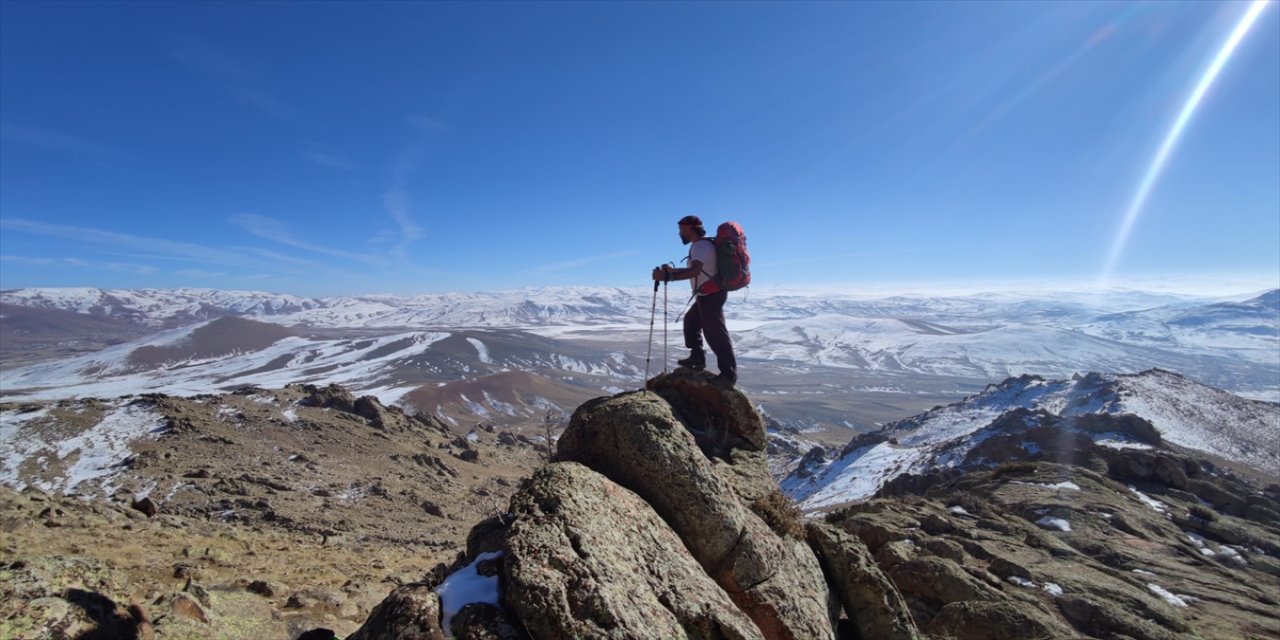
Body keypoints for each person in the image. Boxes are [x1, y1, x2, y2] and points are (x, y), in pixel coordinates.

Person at [652, 215, 738, 385]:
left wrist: (668, 276)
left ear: (690, 228)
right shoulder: (703, 246)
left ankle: (728, 375)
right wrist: (672, 271)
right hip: (708, 294)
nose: (679, 233)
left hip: (711, 296)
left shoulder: (700, 247)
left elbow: (695, 271)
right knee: (691, 321)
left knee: (715, 334)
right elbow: (698, 269)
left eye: (681, 229)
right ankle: (697, 358)